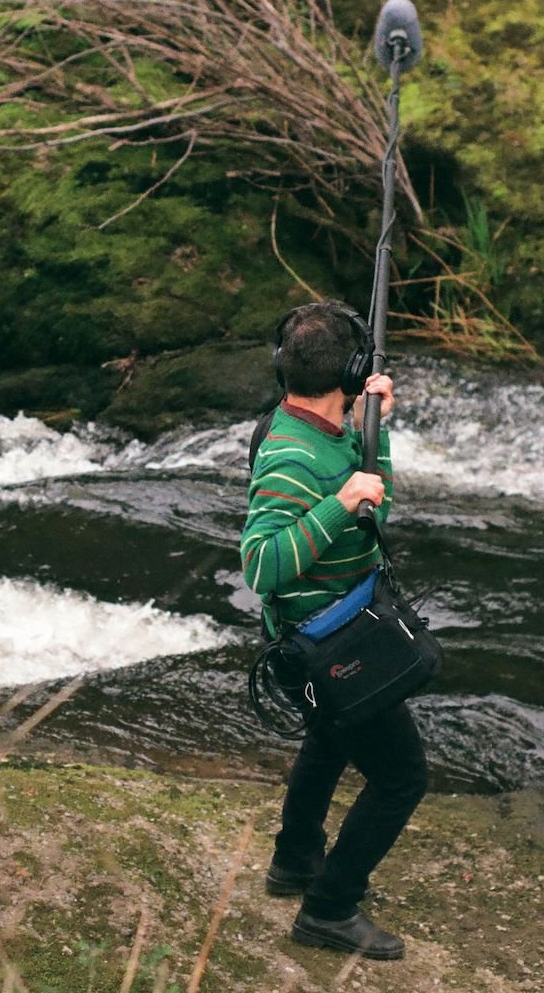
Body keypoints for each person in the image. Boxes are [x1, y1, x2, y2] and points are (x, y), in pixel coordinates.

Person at [240, 301, 428, 961]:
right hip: (329, 647)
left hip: (337, 632)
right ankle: (328, 908)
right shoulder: (291, 456)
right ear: (349, 370)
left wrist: (373, 429)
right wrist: (338, 500)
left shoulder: (329, 430)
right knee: (403, 778)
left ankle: (294, 864)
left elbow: (377, 502)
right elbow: (261, 566)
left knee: (329, 739)